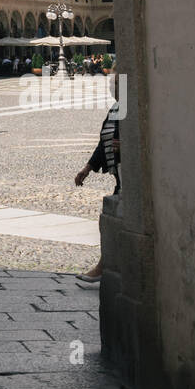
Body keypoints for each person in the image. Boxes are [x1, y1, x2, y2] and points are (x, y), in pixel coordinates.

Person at [74, 78, 121, 283]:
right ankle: (105, 266)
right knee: (111, 219)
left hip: (130, 177)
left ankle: (104, 267)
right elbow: (104, 143)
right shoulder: (117, 109)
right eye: (114, 82)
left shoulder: (131, 108)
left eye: (118, 82)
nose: (114, 86)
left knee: (113, 219)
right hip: (121, 176)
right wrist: (88, 168)